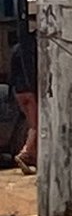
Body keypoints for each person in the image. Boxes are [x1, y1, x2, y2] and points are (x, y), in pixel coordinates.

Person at [9, 24, 37, 175]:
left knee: (30, 123)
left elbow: (11, 74)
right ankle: (25, 153)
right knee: (36, 125)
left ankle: (33, 156)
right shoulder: (30, 50)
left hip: (18, 92)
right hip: (29, 90)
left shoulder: (15, 50)